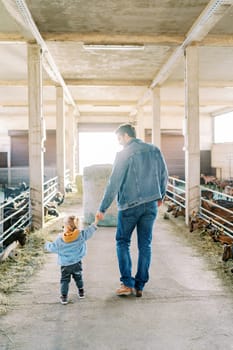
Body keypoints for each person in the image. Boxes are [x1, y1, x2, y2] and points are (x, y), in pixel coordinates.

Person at [96, 123, 168, 297]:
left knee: (122, 242)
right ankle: (140, 285)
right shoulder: (154, 150)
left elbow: (114, 183)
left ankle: (127, 284)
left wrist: (102, 208)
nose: (119, 142)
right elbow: (164, 174)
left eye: (119, 138)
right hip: (151, 203)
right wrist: (160, 196)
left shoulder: (124, 154)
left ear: (126, 136)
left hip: (129, 206)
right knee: (145, 245)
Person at [45, 214, 99, 304]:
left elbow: (52, 248)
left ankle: (64, 297)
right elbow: (90, 231)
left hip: (65, 265)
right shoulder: (81, 235)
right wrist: (96, 221)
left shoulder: (60, 240)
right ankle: (81, 292)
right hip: (77, 263)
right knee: (78, 277)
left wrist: (46, 244)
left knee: (64, 280)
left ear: (66, 227)